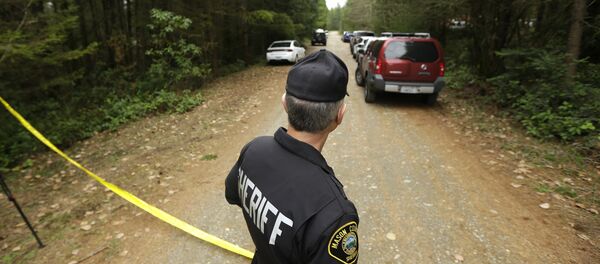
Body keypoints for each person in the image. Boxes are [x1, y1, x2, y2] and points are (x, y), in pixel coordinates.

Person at [225, 50, 359, 264]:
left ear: (285, 103)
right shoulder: (335, 214)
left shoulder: (253, 150)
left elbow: (233, 195)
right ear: (339, 115)